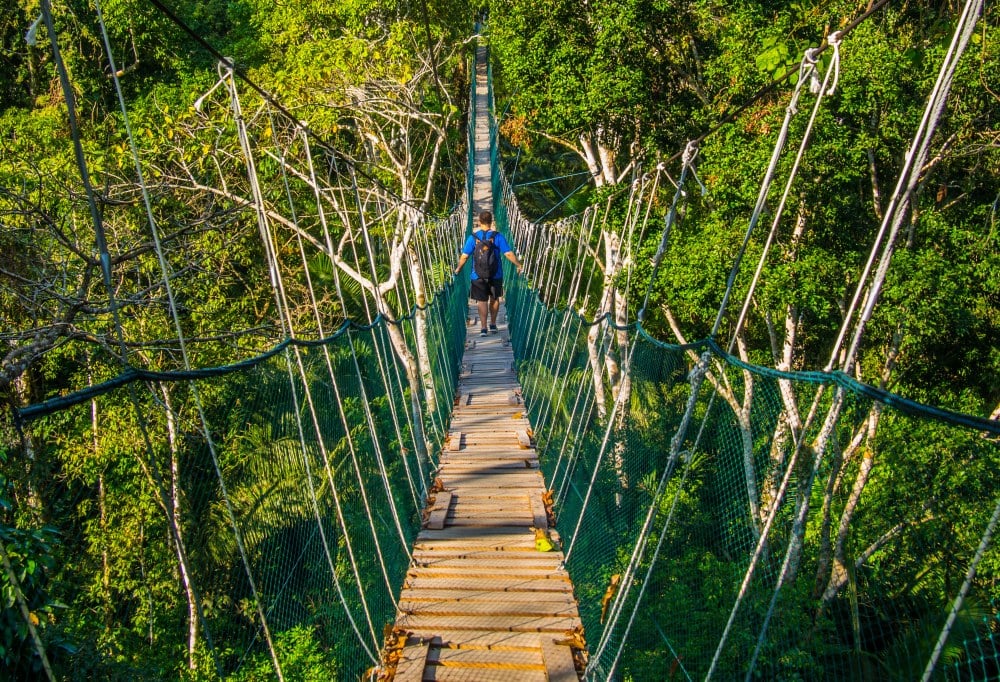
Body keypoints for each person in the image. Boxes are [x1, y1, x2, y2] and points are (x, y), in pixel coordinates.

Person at [454, 210, 523, 337]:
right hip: (495, 274)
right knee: (494, 298)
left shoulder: (473, 238)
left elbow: (464, 256)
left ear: (479, 222)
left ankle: (483, 328)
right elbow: (508, 253)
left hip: (477, 275)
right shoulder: (497, 236)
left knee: (481, 301)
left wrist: (458, 269)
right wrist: (519, 265)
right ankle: (492, 324)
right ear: (491, 222)